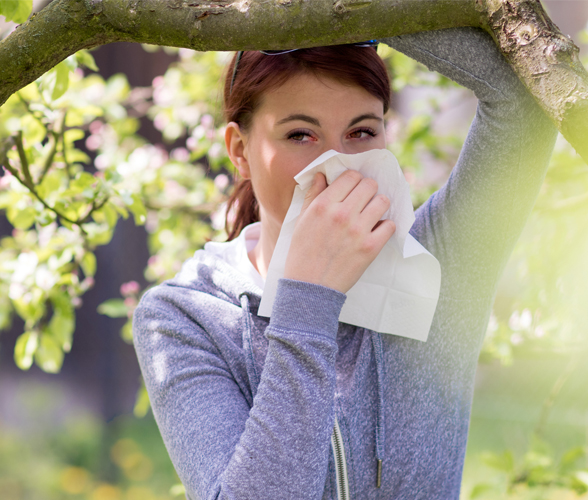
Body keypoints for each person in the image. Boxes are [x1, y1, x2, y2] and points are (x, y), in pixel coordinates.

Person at [132, 28, 557, 499]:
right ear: (239, 150)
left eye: (361, 132)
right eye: (300, 134)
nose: (337, 164)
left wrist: (364, 13)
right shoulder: (184, 316)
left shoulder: (440, 262)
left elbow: (528, 93)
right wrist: (309, 296)